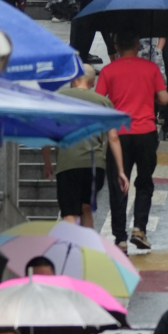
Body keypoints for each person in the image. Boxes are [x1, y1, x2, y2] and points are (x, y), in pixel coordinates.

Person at [96, 34, 168, 251]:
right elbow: (164, 98)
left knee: (119, 185)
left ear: (116, 46)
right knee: (145, 182)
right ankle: (139, 228)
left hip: (119, 135)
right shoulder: (150, 68)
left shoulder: (109, 71)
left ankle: (120, 238)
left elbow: (100, 100)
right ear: (138, 45)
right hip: (146, 132)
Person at [42, 64, 127, 228]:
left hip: (68, 164)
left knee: (69, 213)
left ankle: (73, 251)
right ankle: (87, 249)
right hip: (96, 166)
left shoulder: (57, 99)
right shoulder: (103, 102)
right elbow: (113, 137)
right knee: (86, 209)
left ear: (73, 79)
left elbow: (47, 135)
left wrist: (47, 162)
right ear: (93, 83)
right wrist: (121, 171)